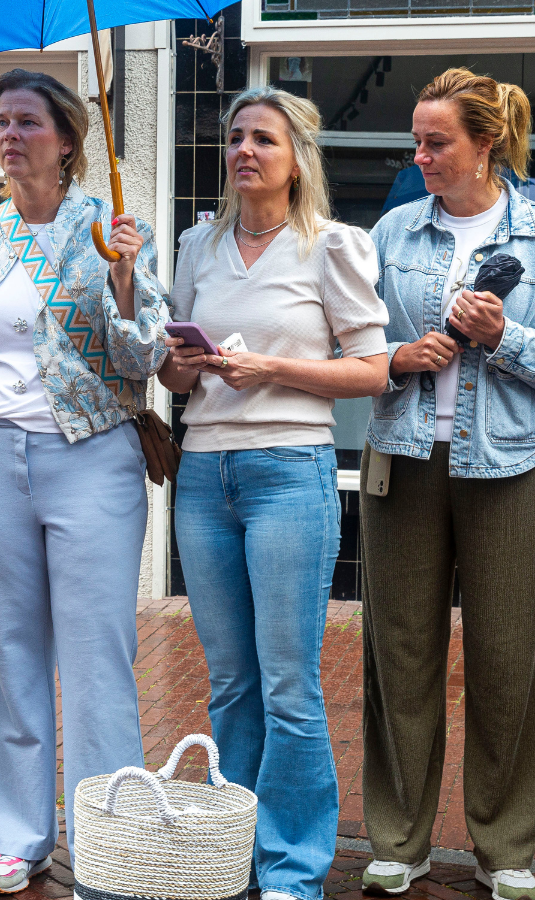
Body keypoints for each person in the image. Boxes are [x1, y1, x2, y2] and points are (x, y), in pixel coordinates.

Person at [358, 68, 535, 900]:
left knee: (510, 659)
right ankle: (399, 839)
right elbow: (353, 347)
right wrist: (396, 359)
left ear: (484, 144)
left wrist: (505, 337)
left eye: (438, 143)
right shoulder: (391, 232)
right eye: (417, 142)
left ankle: (505, 849)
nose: (420, 156)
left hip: (511, 464)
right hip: (401, 455)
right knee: (399, 654)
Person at [157, 86, 388, 900]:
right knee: (230, 684)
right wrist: (180, 365)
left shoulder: (331, 247)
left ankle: (292, 869)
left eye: (264, 139)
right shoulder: (197, 245)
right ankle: (235, 856)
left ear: (297, 160)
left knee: (289, 683)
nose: (245, 151)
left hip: (290, 471)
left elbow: (373, 370)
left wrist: (273, 369)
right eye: (236, 138)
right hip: (204, 473)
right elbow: (169, 368)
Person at [0, 68, 169, 895]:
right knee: (11, 653)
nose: (9, 135)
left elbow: (146, 356)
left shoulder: (109, 227)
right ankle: (19, 835)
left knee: (97, 657)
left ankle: (111, 849)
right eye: (0, 121)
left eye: (27, 122)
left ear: (68, 140)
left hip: (91, 459)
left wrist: (123, 275)